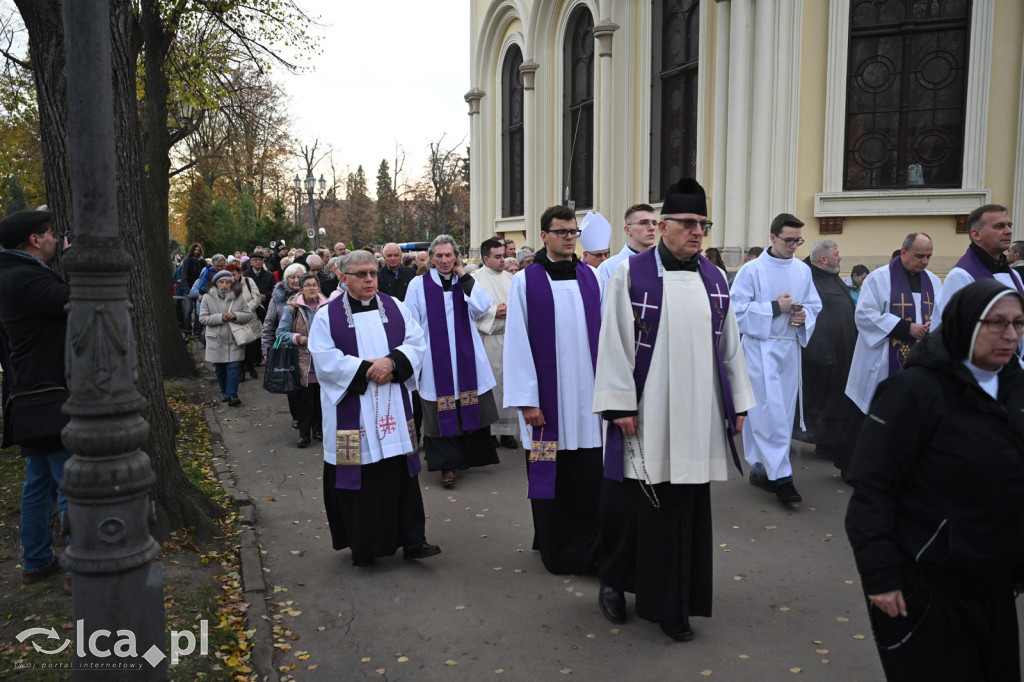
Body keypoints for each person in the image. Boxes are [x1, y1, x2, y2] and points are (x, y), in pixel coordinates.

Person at [592, 179, 755, 641]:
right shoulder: (631, 273)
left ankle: (674, 603)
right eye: (687, 223)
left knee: (684, 511)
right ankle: (614, 583)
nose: (697, 232)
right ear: (662, 226)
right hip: (646, 412)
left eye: (702, 224)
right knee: (632, 509)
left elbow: (731, 347)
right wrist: (620, 404)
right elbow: (615, 343)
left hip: (698, 415)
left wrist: (738, 402)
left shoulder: (715, 277)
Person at [845, 279, 1024, 681]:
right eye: (996, 323)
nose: (1010, 335)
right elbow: (873, 489)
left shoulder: (1014, 389)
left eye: (1018, 323)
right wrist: (881, 577)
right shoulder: (914, 392)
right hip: (927, 584)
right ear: (964, 324)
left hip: (993, 582)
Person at [307, 250, 440, 567]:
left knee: (400, 474)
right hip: (354, 411)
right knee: (360, 477)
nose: (369, 279)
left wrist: (392, 363)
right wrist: (366, 370)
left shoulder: (394, 307)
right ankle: (364, 546)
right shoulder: (327, 316)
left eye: (373, 273)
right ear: (343, 277)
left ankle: (413, 540)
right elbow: (324, 359)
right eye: (361, 274)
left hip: (393, 405)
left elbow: (417, 342)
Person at [504, 206, 604, 575]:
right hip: (547, 404)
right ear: (544, 235)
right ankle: (556, 549)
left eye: (573, 231)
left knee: (587, 479)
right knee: (552, 478)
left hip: (588, 401)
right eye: (561, 231)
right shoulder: (525, 282)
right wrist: (528, 401)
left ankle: (591, 550)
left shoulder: (592, 278)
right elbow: (517, 343)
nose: (568, 237)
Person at [0, 209, 73, 585]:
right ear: (34, 240)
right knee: (70, 480)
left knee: (39, 482)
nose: (55, 240)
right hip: (48, 394)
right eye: (50, 235)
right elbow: (73, 299)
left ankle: (37, 560)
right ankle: (82, 567)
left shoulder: (13, 274)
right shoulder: (23, 277)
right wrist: (79, 261)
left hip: (32, 396)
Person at [731, 212, 821, 504]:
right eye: (788, 240)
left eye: (798, 241)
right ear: (772, 238)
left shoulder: (802, 270)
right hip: (760, 349)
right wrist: (773, 308)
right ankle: (782, 478)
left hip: (788, 349)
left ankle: (762, 469)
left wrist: (803, 315)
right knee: (769, 413)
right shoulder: (752, 270)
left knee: (780, 414)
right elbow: (736, 311)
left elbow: (813, 304)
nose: (794, 246)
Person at [404, 235, 500, 488]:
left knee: (468, 407)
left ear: (456, 256)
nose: (445, 260)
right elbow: (410, 325)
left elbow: (482, 307)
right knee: (441, 411)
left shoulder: (468, 280)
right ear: (432, 259)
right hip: (436, 362)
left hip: (466, 358)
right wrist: (417, 362)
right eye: (439, 256)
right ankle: (446, 465)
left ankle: (466, 458)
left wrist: (465, 277)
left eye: (449, 255)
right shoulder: (417, 285)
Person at [844, 233, 943, 417]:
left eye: (929, 256)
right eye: (920, 256)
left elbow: (942, 314)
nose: (925, 261)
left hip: (921, 357)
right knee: (881, 413)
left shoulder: (934, 281)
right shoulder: (879, 278)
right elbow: (865, 315)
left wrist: (932, 325)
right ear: (904, 252)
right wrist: (906, 328)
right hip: (882, 359)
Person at [800, 240, 860, 473]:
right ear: (823, 259)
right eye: (836, 254)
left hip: (844, 351)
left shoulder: (834, 277)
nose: (840, 258)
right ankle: (823, 443)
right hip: (824, 355)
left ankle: (832, 442)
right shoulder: (810, 280)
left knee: (839, 401)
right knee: (825, 402)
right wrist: (823, 351)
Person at [934, 204, 1024, 328]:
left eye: (1009, 225)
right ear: (976, 234)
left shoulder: (1014, 275)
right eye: (999, 226)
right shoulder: (961, 276)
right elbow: (955, 331)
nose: (1009, 231)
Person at [473, 238, 519, 449]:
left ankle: (508, 433)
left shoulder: (512, 279)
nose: (503, 260)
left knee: (508, 385)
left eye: (504, 256)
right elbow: (468, 309)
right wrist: (493, 312)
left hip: (509, 340)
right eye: (498, 257)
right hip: (486, 341)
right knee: (490, 386)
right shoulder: (475, 280)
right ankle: (490, 432)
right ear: (485, 258)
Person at [277, 272, 329, 447]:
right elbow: (281, 333)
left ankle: (319, 430)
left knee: (322, 399)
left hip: (323, 361)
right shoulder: (292, 308)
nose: (312, 288)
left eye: (314, 284)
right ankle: (304, 434)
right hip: (303, 362)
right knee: (305, 401)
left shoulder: (328, 306)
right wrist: (298, 338)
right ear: (301, 288)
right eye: (308, 285)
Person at [200, 270, 254, 407]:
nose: (224, 285)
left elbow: (249, 315)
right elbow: (203, 318)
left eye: (227, 282)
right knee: (219, 368)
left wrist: (235, 315)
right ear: (216, 284)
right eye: (221, 282)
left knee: (234, 367)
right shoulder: (207, 298)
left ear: (231, 283)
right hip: (216, 339)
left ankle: (232, 395)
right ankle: (225, 392)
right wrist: (221, 317)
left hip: (235, 339)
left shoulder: (239, 297)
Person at [264, 262, 307, 430]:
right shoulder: (278, 298)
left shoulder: (313, 294)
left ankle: (313, 419)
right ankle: (297, 416)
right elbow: (269, 324)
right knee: (292, 384)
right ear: (286, 279)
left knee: (310, 386)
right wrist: (266, 350)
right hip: (287, 347)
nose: (296, 280)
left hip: (308, 348)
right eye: (292, 277)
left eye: (299, 277)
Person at [597, 203, 658, 290]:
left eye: (654, 223)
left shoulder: (662, 264)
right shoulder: (609, 267)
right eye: (644, 223)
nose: (652, 228)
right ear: (628, 230)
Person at [225, 262, 263, 379]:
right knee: (240, 344)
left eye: (234, 274)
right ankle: (241, 369)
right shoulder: (227, 285)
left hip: (251, 317)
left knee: (252, 344)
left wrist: (246, 310)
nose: (232, 277)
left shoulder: (248, 281)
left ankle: (250, 366)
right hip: (236, 319)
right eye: (229, 275)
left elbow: (256, 298)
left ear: (240, 273)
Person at [180, 242, 206, 337]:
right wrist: (187, 291)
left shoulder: (203, 262)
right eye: (195, 250)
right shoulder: (187, 260)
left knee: (199, 312)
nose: (196, 252)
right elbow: (184, 276)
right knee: (187, 310)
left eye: (198, 250)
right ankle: (187, 330)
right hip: (188, 289)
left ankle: (197, 331)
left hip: (199, 290)